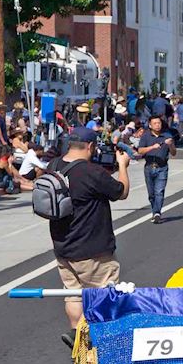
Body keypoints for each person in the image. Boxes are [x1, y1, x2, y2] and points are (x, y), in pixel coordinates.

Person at [47, 126, 131, 343]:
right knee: (103, 293)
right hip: (93, 248)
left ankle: (76, 332)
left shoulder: (53, 166)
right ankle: (98, 339)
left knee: (73, 293)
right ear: (91, 146)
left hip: (63, 246)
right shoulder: (91, 172)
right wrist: (122, 166)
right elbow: (121, 191)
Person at [134, 113, 175, 223]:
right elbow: (140, 150)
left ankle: (157, 213)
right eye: (155, 123)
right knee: (151, 194)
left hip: (162, 167)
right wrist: (152, 147)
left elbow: (174, 153)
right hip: (149, 166)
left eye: (159, 123)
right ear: (150, 125)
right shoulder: (146, 136)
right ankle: (154, 210)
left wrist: (170, 145)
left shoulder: (167, 135)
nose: (157, 125)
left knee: (159, 191)